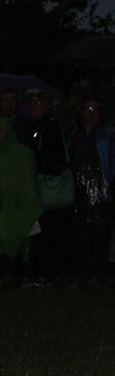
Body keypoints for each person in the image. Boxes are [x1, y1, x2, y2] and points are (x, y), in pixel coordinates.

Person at [0, 115, 42, 284]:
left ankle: (14, 276)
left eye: (0, 130)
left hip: (15, 208)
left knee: (13, 237)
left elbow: (28, 185)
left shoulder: (23, 154)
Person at [25, 88, 71, 284]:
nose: (34, 107)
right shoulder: (37, 126)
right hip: (43, 189)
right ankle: (48, 272)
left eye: (38, 103)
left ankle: (51, 273)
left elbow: (54, 159)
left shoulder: (50, 125)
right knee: (45, 232)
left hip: (47, 189)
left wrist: (36, 165)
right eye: (31, 103)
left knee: (49, 231)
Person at [67, 96, 114, 278]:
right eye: (87, 109)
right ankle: (82, 274)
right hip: (77, 193)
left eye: (95, 109)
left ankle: (100, 274)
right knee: (80, 234)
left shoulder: (108, 134)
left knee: (101, 234)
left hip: (102, 192)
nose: (91, 113)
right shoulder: (73, 134)